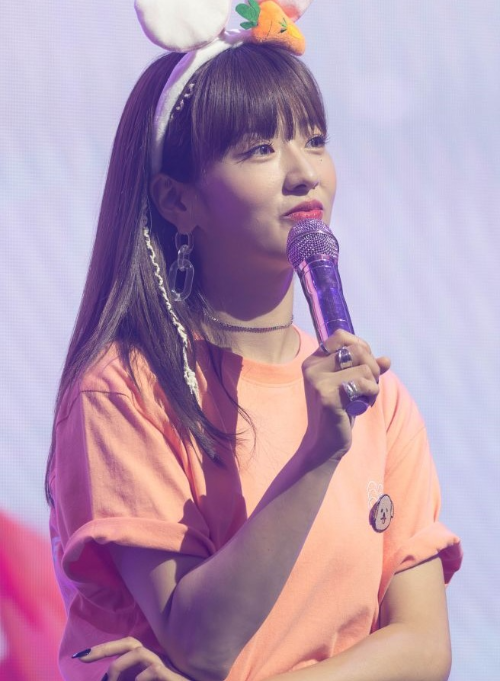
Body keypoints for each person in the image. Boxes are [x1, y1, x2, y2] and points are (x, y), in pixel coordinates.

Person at [46, 2, 462, 680]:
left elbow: (423, 648)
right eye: (260, 149)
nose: (303, 172)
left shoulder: (379, 404)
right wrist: (318, 455)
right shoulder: (126, 390)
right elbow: (202, 645)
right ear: (177, 200)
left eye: (314, 139)